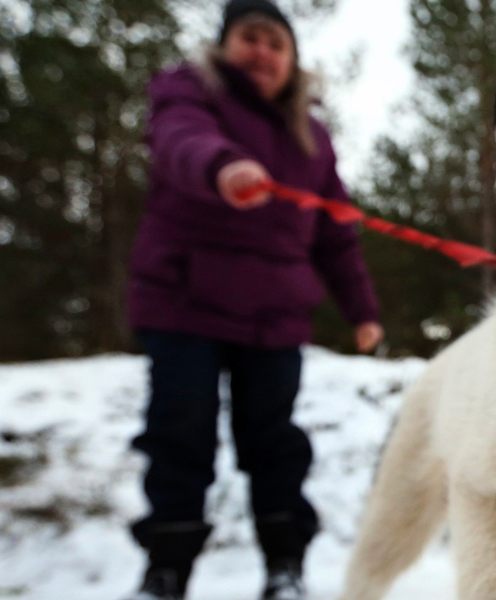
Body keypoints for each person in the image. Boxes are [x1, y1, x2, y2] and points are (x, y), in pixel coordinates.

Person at [123, 1, 383, 598]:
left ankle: (285, 567)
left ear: (292, 61)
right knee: (180, 434)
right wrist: (222, 166)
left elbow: (336, 235)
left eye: (276, 43)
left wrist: (362, 310)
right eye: (250, 37)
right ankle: (166, 572)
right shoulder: (190, 92)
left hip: (275, 316)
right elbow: (180, 140)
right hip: (185, 302)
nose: (262, 52)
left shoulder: (312, 138)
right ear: (224, 45)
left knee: (275, 443)